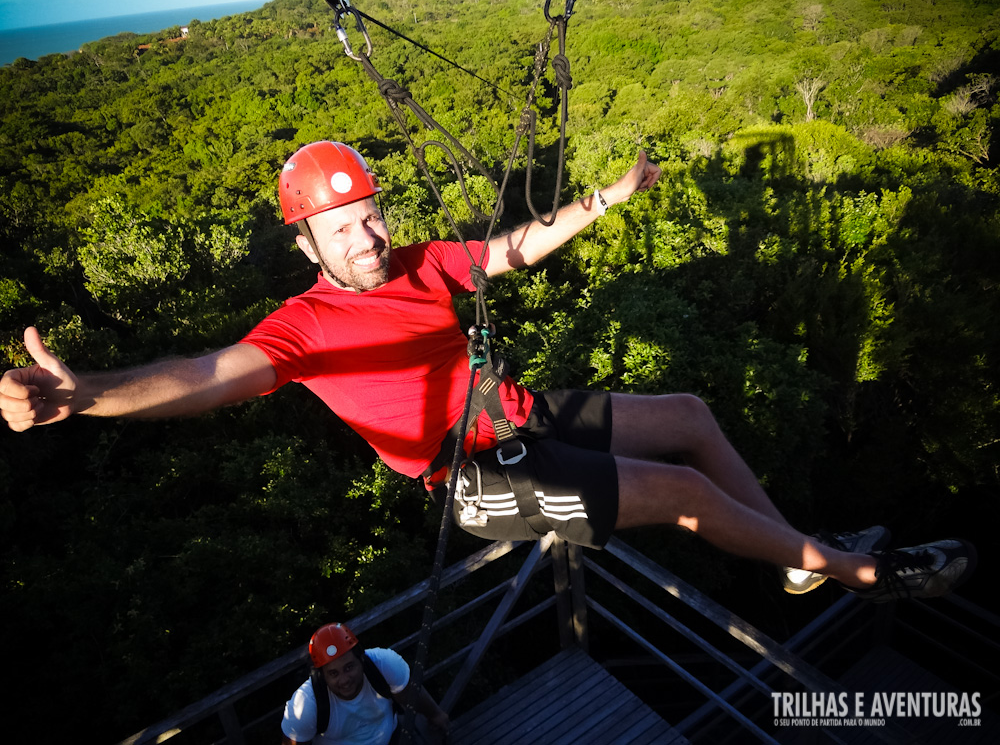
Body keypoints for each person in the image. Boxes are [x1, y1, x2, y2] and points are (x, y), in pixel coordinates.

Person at [0, 141, 976, 603]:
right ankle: (863, 575)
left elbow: (511, 250)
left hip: (518, 417)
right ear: (308, 246)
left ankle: (794, 556)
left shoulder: (422, 261)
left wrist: (608, 197)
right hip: (476, 485)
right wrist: (88, 395)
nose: (370, 236)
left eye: (374, 214)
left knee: (687, 412)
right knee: (679, 489)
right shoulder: (304, 326)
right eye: (345, 229)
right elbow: (205, 372)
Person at [281, 622, 449, 744]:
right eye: (333, 673)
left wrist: (435, 714)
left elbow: (409, 696)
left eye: (349, 667)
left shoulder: (383, 665)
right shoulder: (305, 705)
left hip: (392, 739)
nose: (344, 680)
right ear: (322, 675)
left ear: (361, 659)